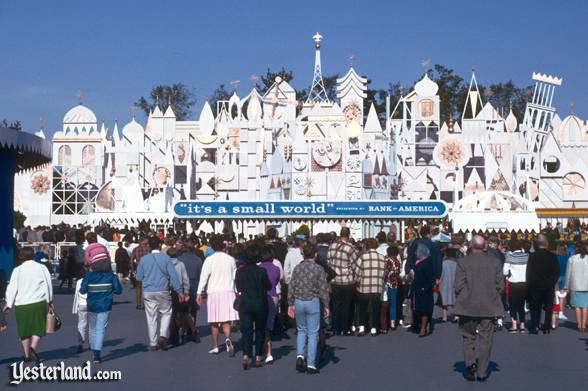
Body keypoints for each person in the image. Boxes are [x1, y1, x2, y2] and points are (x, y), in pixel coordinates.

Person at [454, 235, 504, 382]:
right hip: (488, 306)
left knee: (468, 337)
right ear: (485, 246)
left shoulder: (463, 262)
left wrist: (464, 295)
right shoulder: (495, 262)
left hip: (467, 305)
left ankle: (470, 365)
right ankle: (482, 371)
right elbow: (500, 286)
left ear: (470, 245)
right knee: (486, 339)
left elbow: (458, 286)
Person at [3, 247, 53, 364]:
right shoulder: (41, 267)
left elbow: (12, 288)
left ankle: (26, 354)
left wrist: (9, 303)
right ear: (33, 255)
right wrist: (50, 300)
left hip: (22, 304)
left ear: (21, 256)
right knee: (38, 327)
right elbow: (48, 284)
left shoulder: (17, 270)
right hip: (39, 302)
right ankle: (33, 348)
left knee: (24, 330)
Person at [288, 244, 330, 374]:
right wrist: (326, 305)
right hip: (313, 301)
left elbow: (291, 286)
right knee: (313, 333)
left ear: (303, 254)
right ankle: (311, 364)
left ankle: (300, 355)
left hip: (299, 301)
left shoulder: (297, 268)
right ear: (315, 255)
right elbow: (323, 289)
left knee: (301, 330)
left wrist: (290, 302)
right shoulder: (319, 269)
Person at [136, 236, 183, 351]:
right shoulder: (166, 258)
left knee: (151, 317)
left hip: (148, 291)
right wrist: (179, 291)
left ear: (149, 246)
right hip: (163, 290)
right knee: (166, 313)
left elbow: (139, 277)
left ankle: (153, 343)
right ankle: (163, 335)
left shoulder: (144, 259)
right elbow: (173, 276)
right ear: (159, 245)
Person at [196, 235, 239, 355]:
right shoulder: (230, 259)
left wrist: (199, 292)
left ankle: (215, 346)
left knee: (214, 321)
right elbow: (235, 277)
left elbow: (204, 277)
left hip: (214, 292)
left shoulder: (209, 259)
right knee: (226, 321)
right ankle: (228, 339)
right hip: (228, 291)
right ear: (223, 245)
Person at [235, 245, 272, 369]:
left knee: (247, 330)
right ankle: (258, 356)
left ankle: (246, 355)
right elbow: (268, 286)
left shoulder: (240, 271)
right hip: (260, 303)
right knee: (260, 330)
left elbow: (239, 287)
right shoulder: (262, 271)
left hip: (245, 303)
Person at [80, 258, 122, 363]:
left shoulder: (89, 276)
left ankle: (94, 350)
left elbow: (82, 290)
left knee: (93, 328)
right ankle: (96, 355)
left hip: (92, 305)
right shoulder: (111, 276)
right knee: (100, 329)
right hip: (105, 305)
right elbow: (119, 291)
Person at [327, 227, 360, 336]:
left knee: (336, 305)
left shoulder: (332, 247)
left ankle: (336, 328)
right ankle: (345, 328)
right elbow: (356, 265)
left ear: (340, 235)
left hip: (334, 280)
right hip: (347, 280)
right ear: (348, 235)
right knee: (346, 305)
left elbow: (328, 263)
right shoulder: (351, 248)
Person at [526, 235, 559, 334]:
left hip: (535, 285)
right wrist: (552, 282)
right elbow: (556, 272)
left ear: (537, 244)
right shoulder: (552, 256)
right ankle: (547, 326)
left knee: (535, 307)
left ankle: (535, 325)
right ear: (546, 244)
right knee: (549, 307)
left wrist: (529, 284)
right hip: (548, 285)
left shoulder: (532, 256)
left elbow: (529, 273)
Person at [354, 238, 387, 336]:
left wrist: (357, 282)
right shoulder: (382, 258)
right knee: (376, 308)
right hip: (377, 287)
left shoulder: (363, 257)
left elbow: (357, 272)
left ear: (367, 246)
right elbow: (384, 273)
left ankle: (362, 327)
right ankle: (374, 328)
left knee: (362, 308)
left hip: (364, 286)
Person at [258, 245, 281, 364]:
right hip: (273, 296)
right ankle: (267, 351)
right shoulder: (276, 268)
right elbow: (277, 281)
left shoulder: (259, 267)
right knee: (268, 326)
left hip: (261, 297)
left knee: (260, 326)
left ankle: (265, 351)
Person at [177, 241, 204, 343]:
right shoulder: (198, 259)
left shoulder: (180, 259)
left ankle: (182, 329)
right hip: (194, 284)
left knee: (182, 310)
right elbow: (200, 274)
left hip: (182, 285)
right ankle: (191, 330)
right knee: (193, 310)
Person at [503, 240, 529, 333]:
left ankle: (514, 325)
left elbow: (505, 271)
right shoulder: (526, 256)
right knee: (521, 305)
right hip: (524, 283)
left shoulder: (510, 256)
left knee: (512, 304)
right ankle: (522, 324)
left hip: (513, 283)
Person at [412, 243, 436, 337]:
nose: (415, 253)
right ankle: (422, 325)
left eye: (417, 251)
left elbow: (431, 277)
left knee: (424, 309)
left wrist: (425, 287)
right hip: (417, 288)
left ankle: (423, 328)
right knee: (418, 309)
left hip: (424, 288)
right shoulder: (417, 261)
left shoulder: (428, 262)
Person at [168, 247, 191, 345]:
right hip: (180, 291)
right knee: (180, 312)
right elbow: (185, 279)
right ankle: (181, 329)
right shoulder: (181, 264)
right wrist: (186, 291)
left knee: (170, 314)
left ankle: (173, 335)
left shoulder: (166, 264)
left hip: (169, 290)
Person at [565, 242, 588, 332]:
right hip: (586, 285)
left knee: (577, 306)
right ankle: (584, 325)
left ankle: (579, 325)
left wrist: (567, 285)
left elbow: (568, 274)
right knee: (585, 306)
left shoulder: (572, 259)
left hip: (575, 284)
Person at [383, 244, 402, 330]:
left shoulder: (387, 260)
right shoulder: (398, 261)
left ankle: (385, 322)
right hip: (395, 284)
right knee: (393, 304)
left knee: (385, 303)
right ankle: (393, 323)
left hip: (386, 283)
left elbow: (386, 272)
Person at [440, 247, 460, 323]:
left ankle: (444, 317)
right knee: (455, 299)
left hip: (444, 282)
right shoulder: (456, 264)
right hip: (454, 282)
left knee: (444, 301)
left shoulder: (442, 263)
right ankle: (456, 316)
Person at [72, 267, 88, 353]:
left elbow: (76, 295)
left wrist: (75, 307)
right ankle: (93, 343)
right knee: (93, 324)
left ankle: (80, 343)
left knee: (81, 324)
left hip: (81, 304)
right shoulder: (91, 280)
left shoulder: (79, 282)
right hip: (91, 303)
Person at [132, 237, 151, 310]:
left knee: (138, 287)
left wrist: (133, 270)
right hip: (148, 269)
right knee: (147, 287)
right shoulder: (149, 249)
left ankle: (138, 303)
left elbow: (131, 261)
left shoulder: (135, 249)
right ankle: (145, 303)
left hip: (138, 268)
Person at [555, 244, 569, 320]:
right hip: (564, 277)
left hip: (557, 277)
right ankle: (561, 312)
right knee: (562, 296)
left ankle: (556, 311)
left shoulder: (556, 258)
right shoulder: (567, 258)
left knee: (556, 295)